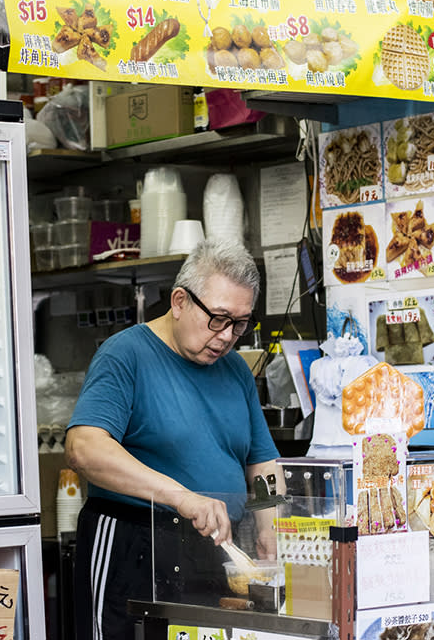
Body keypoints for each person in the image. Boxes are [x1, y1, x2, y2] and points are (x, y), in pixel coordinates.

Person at [65, 239, 281, 640]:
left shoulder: (235, 370)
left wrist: (271, 527)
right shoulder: (125, 355)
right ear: (179, 301)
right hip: (134, 545)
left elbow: (261, 461)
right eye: (218, 318)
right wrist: (181, 497)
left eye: (240, 323)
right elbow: (84, 447)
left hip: (215, 551)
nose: (227, 335)